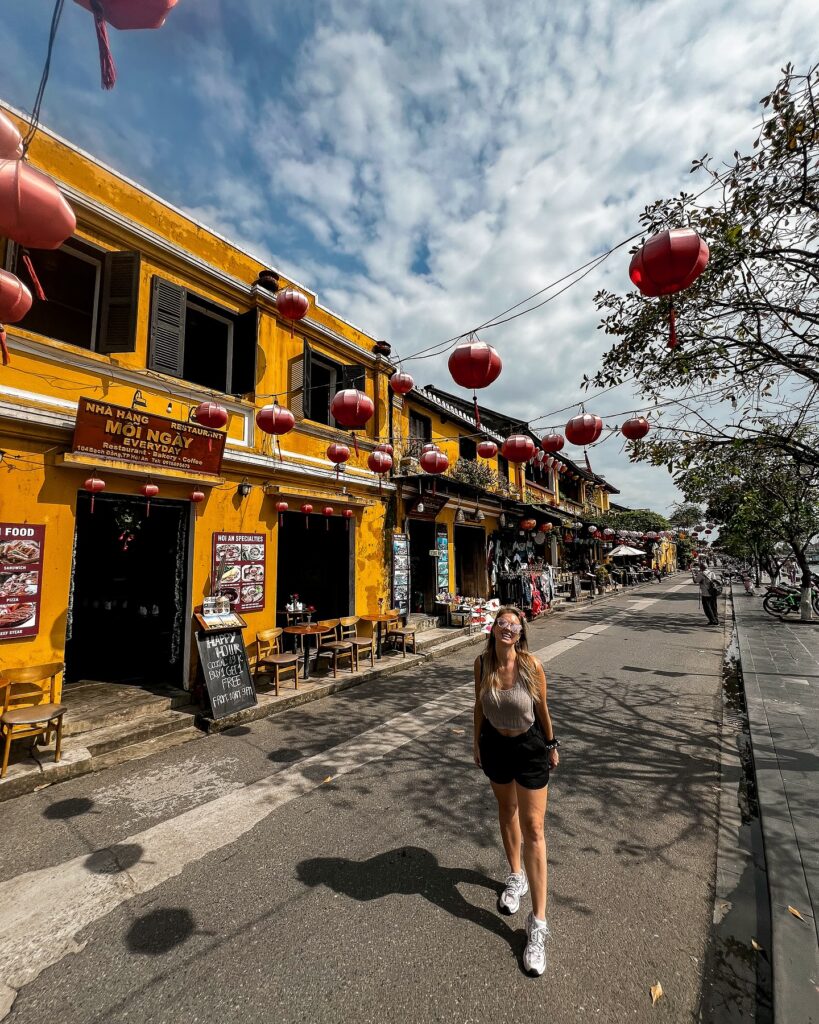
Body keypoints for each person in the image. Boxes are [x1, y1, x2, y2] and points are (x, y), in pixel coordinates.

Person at [473, 607, 560, 977]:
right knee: (506, 811)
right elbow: (478, 704)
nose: (507, 628)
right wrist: (475, 741)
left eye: (514, 625)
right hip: (495, 745)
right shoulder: (481, 664)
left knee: (534, 828)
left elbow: (542, 707)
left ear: (521, 633)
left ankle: (537, 924)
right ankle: (515, 875)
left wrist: (552, 744)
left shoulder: (530, 665)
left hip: (529, 747)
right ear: (493, 629)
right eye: (501, 623)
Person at [693, 559, 722, 625]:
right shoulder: (712, 573)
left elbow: (695, 581)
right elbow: (715, 581)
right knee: (714, 607)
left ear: (701, 568)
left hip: (706, 593)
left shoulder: (701, 574)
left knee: (707, 608)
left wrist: (693, 575)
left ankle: (713, 621)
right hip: (713, 593)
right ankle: (716, 620)